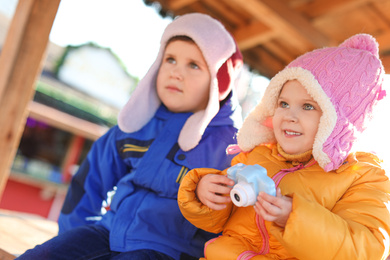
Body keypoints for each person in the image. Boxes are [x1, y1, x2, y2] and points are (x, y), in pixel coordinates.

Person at [17, 13, 243, 260]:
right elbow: (90, 180)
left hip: (166, 250)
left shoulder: (229, 148)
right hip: (107, 231)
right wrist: (72, 237)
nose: (176, 72)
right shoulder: (137, 123)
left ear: (219, 81)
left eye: (193, 65)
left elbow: (237, 222)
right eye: (170, 59)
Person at [178, 33, 390, 260]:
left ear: (341, 121)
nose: (290, 116)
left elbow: (368, 249)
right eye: (284, 103)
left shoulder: (362, 176)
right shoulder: (257, 155)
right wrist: (205, 194)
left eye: (308, 106)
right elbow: (217, 220)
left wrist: (295, 218)